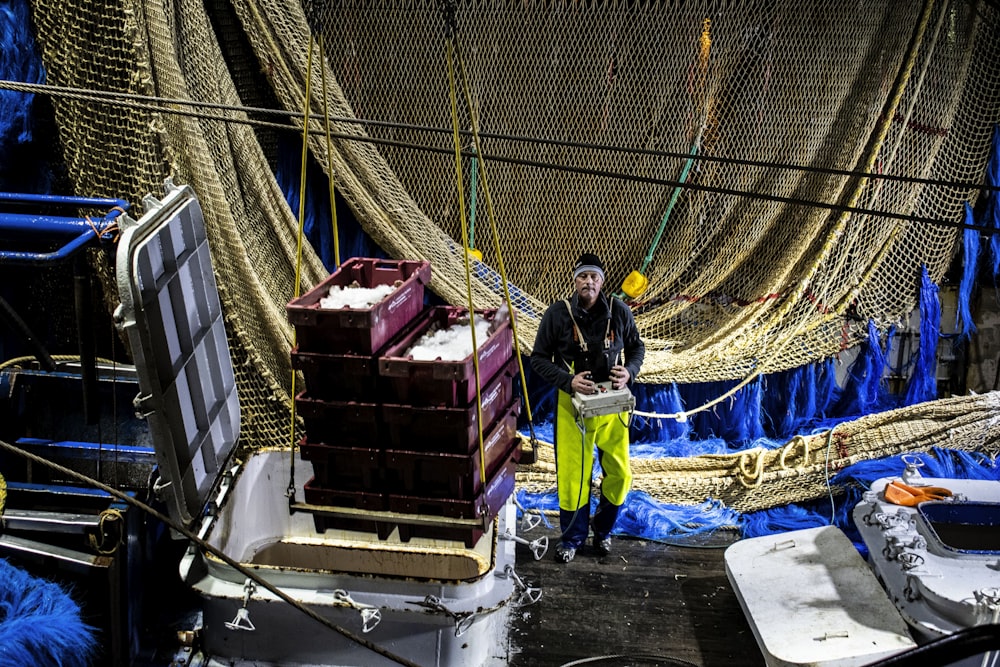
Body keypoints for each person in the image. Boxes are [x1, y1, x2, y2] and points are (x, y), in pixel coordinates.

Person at [530, 252, 645, 562]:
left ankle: (604, 532)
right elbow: (538, 358)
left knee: (619, 474)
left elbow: (636, 348)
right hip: (573, 407)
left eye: (594, 276)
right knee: (573, 477)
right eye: (583, 276)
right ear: (575, 280)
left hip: (612, 405)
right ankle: (572, 539)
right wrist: (568, 382)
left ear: (602, 282)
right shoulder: (557, 314)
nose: (588, 282)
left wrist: (630, 372)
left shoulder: (620, 311)